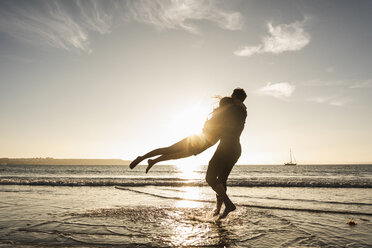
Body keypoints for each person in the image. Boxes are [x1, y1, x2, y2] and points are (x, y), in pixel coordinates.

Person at [129, 96, 232, 173]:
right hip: (198, 144)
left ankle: (147, 159)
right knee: (171, 154)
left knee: (169, 152)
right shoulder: (221, 118)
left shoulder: (216, 115)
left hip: (196, 140)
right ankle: (148, 160)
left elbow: (207, 130)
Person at [205, 88, 247, 219]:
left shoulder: (230, 110)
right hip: (236, 149)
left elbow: (216, 126)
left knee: (210, 178)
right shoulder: (243, 111)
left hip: (225, 147)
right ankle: (218, 209)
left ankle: (228, 204)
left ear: (234, 96)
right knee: (222, 180)